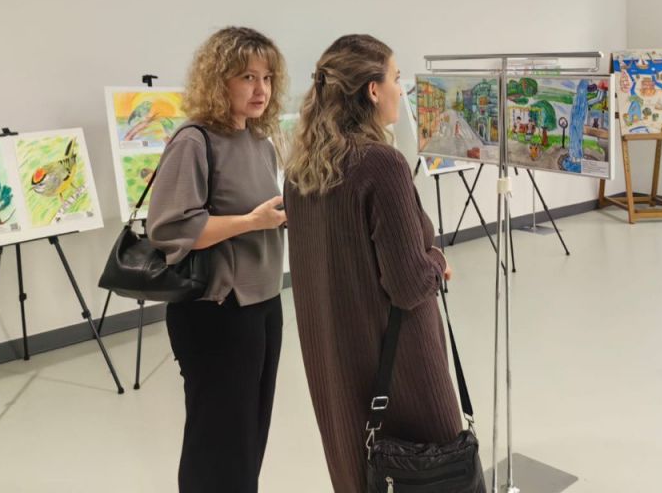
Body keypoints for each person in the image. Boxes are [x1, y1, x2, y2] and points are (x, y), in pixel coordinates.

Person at [283, 34, 460, 492]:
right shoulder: (381, 164)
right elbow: (408, 284)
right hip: (397, 360)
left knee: (360, 470)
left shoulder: (300, 169)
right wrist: (436, 258)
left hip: (335, 357)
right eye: (396, 78)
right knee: (430, 472)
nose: (402, 89)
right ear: (373, 90)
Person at [148, 26, 288, 493]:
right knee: (217, 440)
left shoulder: (260, 141)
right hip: (216, 308)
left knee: (249, 436)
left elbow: (258, 213)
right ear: (218, 80)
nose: (261, 89)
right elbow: (170, 228)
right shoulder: (195, 140)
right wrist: (252, 221)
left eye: (267, 78)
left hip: (264, 302)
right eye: (247, 77)